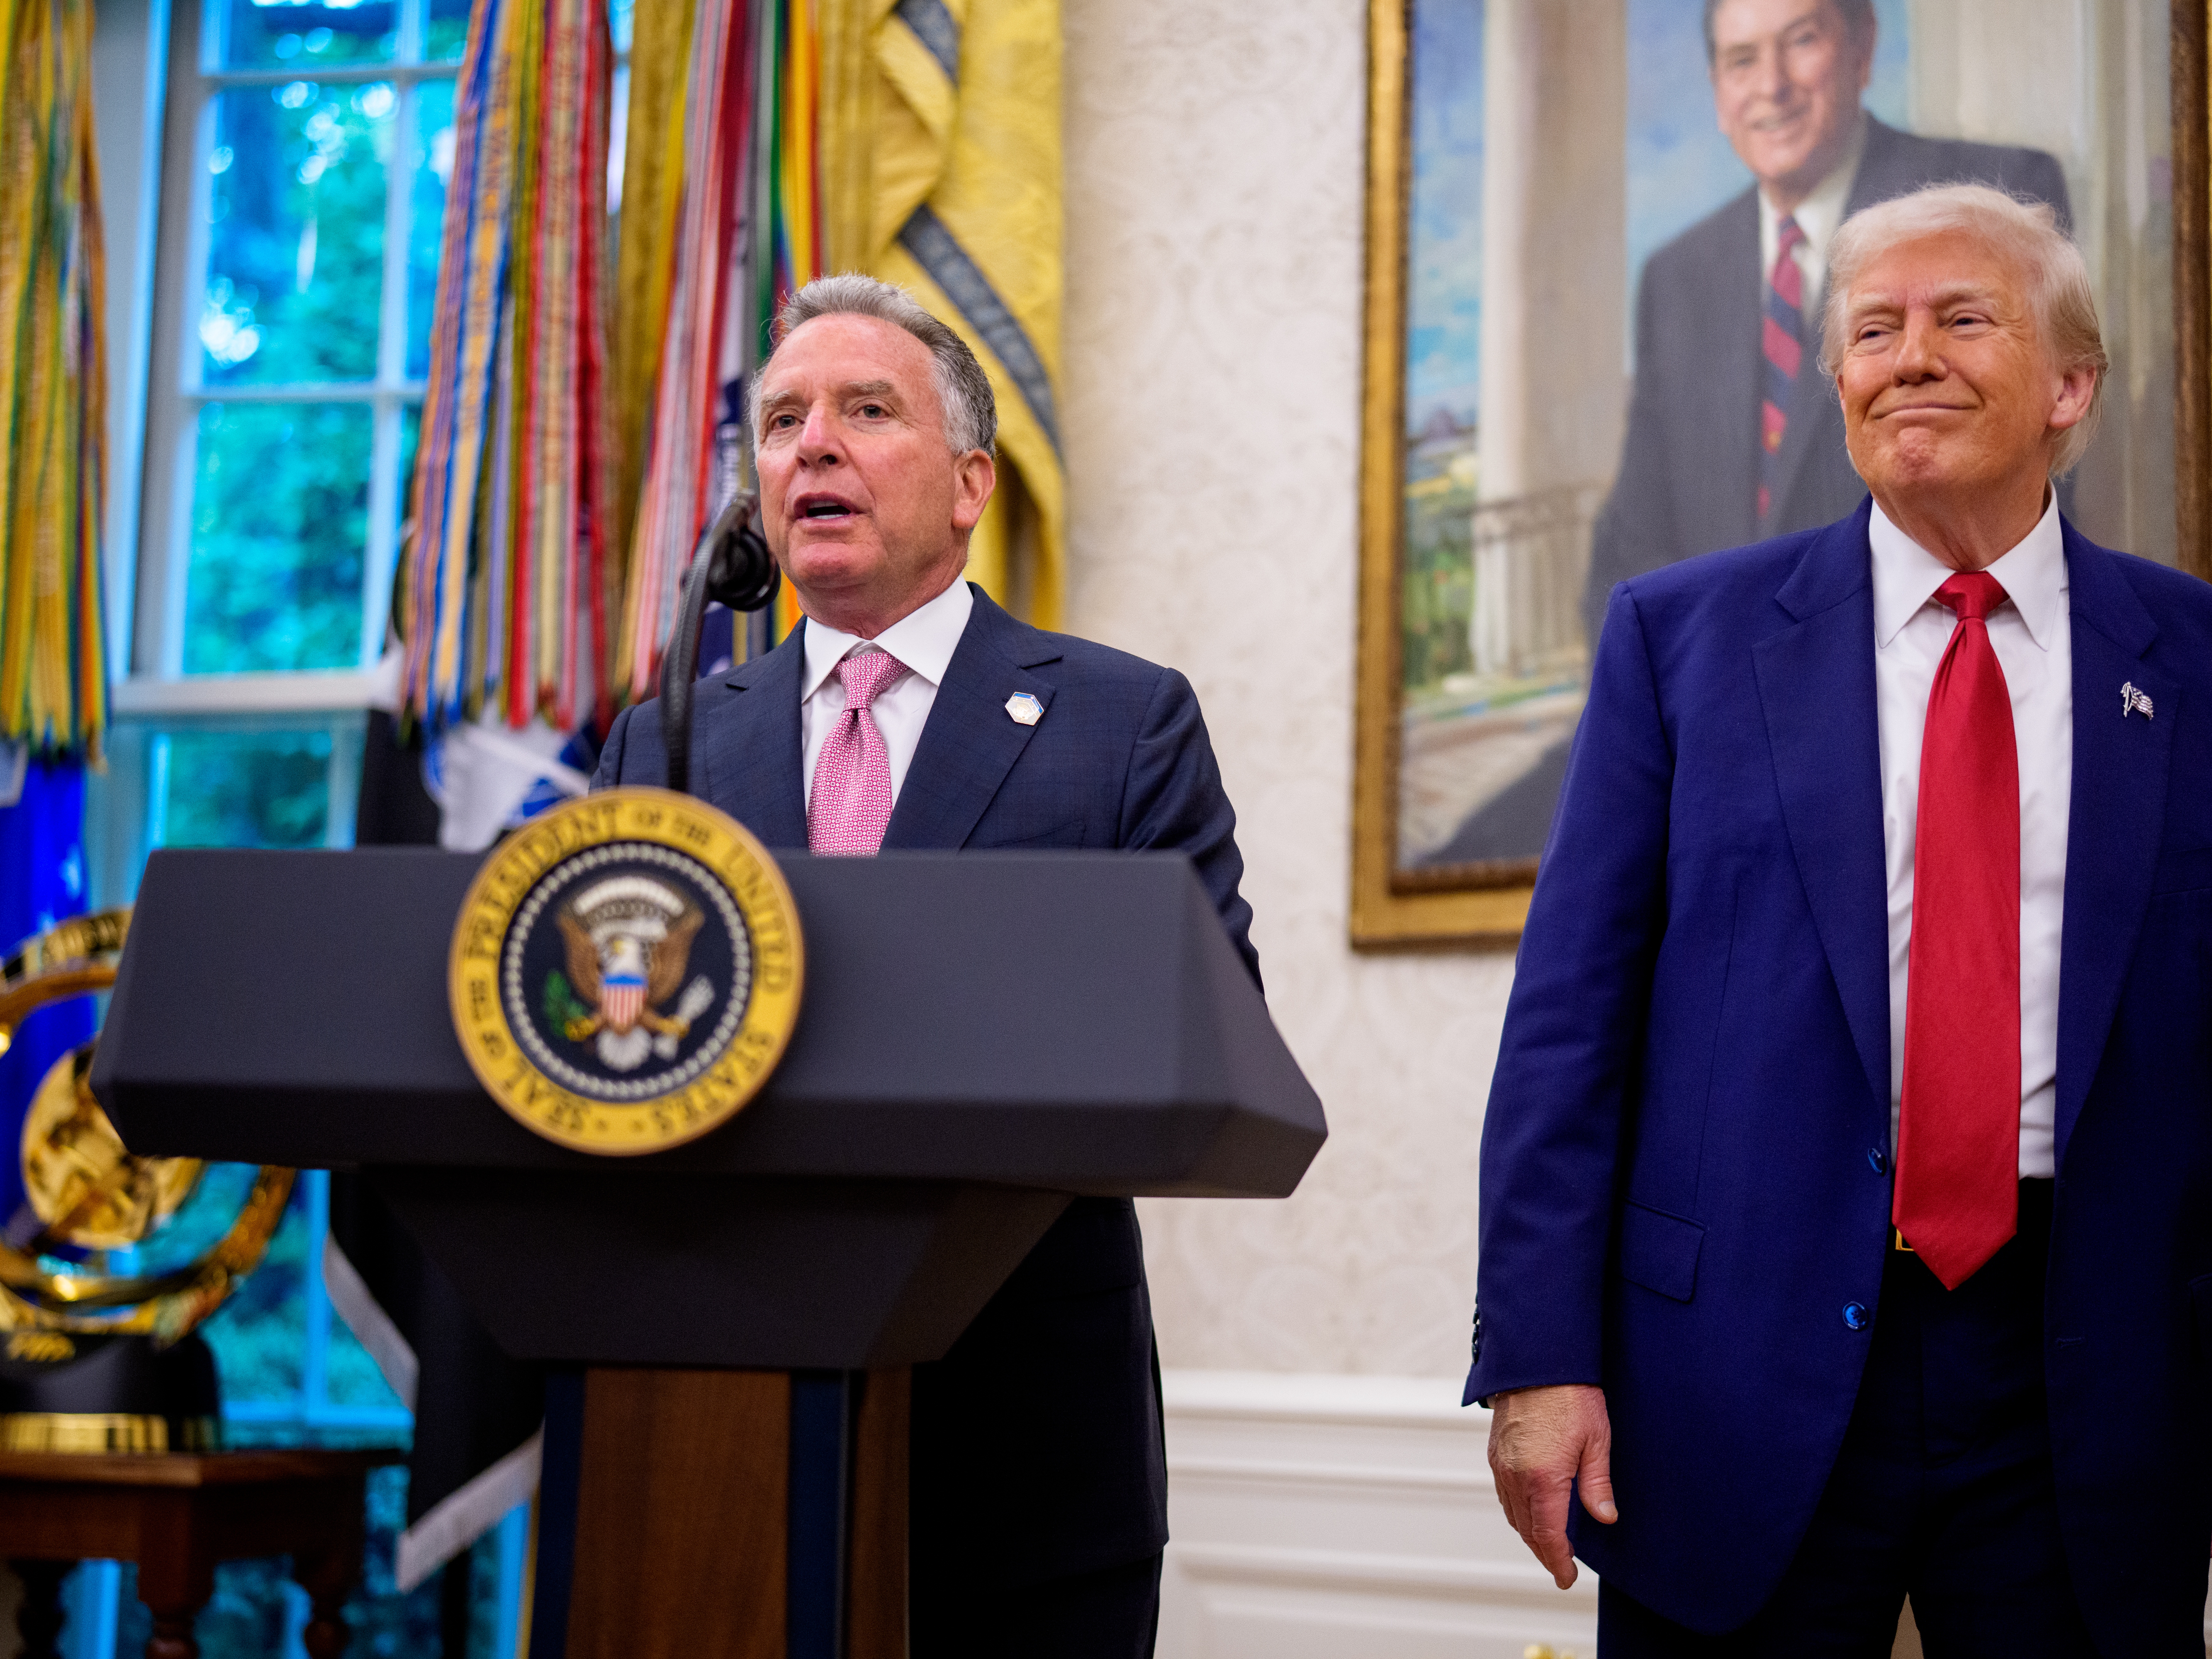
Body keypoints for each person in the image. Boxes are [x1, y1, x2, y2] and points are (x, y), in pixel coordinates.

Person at [1469, 184, 2212, 1654]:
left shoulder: (2189, 657)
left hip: (2093, 1362)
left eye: (1961, 318)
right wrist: (1538, 1358)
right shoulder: (1679, 641)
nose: (1907, 356)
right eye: (1872, 329)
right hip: (1733, 1352)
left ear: (2072, 387)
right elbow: (1569, 1025)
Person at [592, 273, 1258, 1658]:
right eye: (780, 421)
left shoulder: (1119, 725)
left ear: (967, 484)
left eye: (863, 410)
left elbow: (1210, 1034)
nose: (809, 446)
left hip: (1024, 1434)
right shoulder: (667, 745)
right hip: (719, 1420)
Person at [1584, 0, 2070, 646]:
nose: (1770, 85)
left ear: (1862, 48)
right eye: (1741, 60)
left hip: (1936, 673)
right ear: (1719, 93)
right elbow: (1636, 536)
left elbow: (2042, 480)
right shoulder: (1676, 276)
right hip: (1721, 695)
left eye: (1801, 40)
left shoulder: (1996, 198)